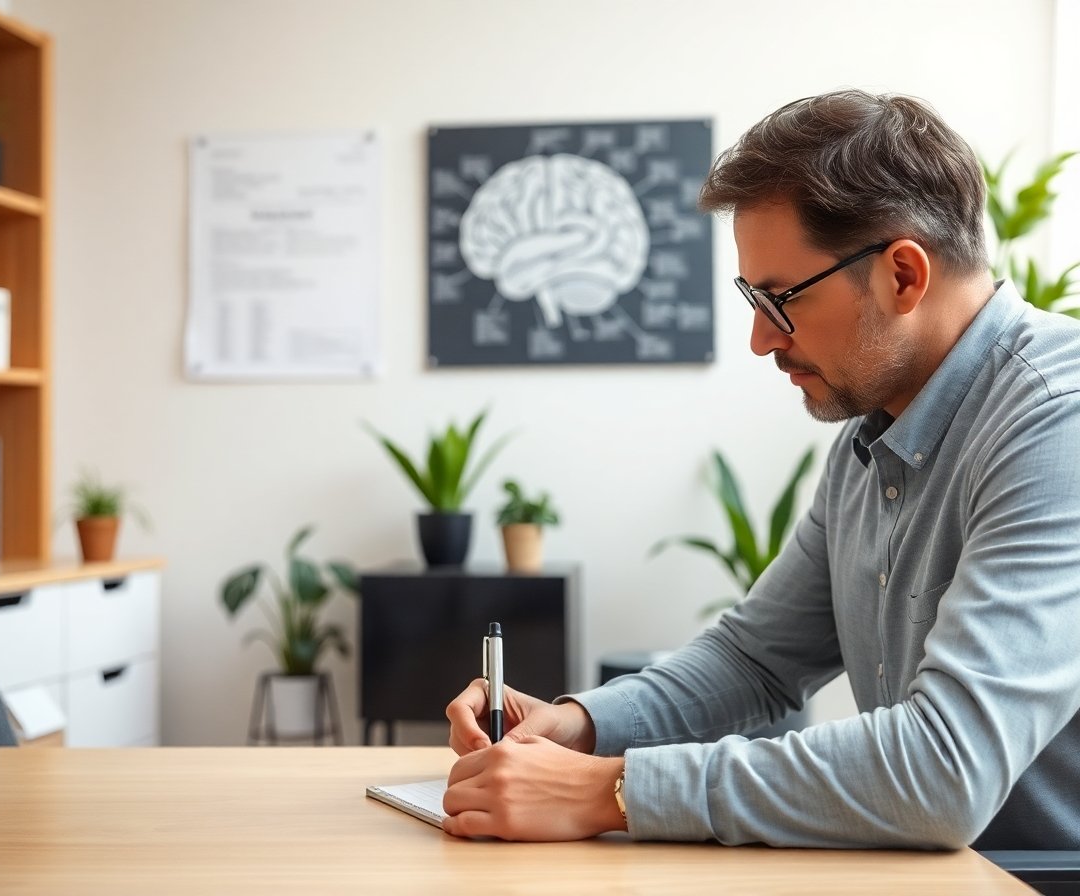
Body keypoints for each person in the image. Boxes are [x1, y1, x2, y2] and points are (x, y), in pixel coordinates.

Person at [443, 89, 1080, 850]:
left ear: (904, 275)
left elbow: (942, 772)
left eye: (780, 299)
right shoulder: (878, 433)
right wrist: (580, 727)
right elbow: (756, 661)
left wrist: (613, 791)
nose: (759, 339)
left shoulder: (1056, 423)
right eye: (753, 299)